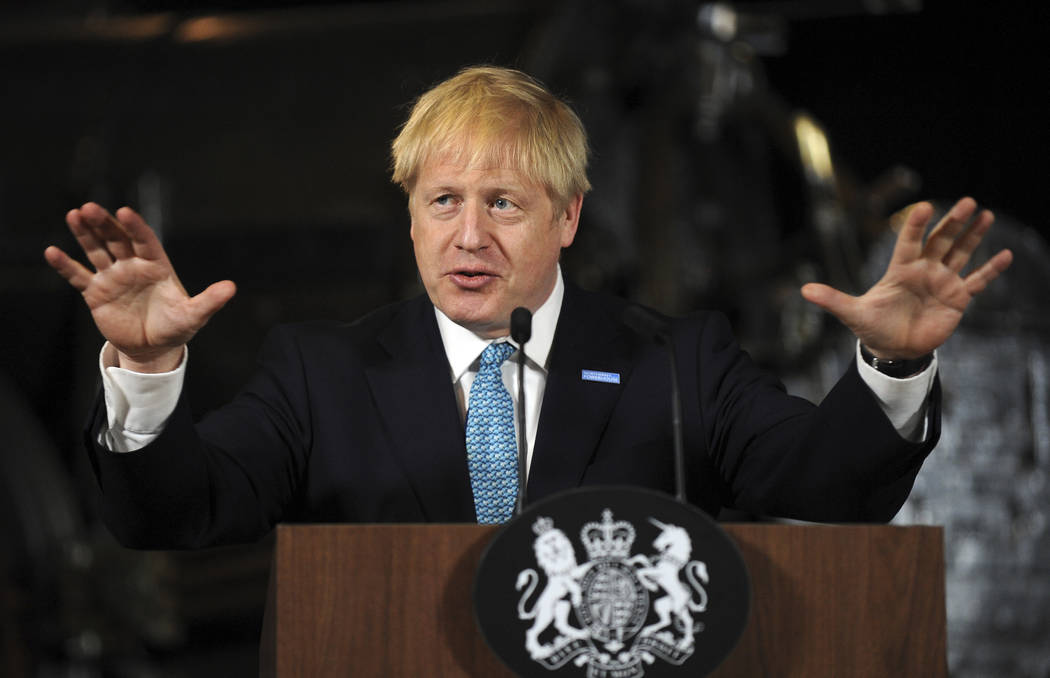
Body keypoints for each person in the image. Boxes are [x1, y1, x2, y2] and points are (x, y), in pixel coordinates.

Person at [44, 66, 1012, 548]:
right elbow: (172, 514)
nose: (470, 237)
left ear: (568, 217)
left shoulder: (677, 368)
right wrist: (144, 372)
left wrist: (891, 370)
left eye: (503, 203)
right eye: (443, 203)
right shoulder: (320, 374)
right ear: (412, 219)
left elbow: (825, 487)